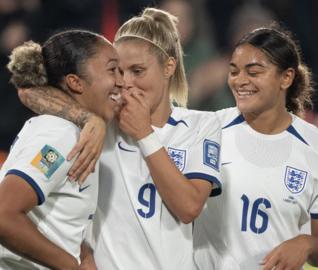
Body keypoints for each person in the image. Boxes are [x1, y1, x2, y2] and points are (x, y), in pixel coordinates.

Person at [16, 8, 222, 270]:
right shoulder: (102, 120)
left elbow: (189, 207)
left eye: (137, 70)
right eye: (118, 71)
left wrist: (144, 134)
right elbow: (29, 91)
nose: (125, 82)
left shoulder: (200, 125)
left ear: (169, 66)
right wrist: (87, 118)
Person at [193, 27, 318, 270]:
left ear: (286, 78)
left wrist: (306, 243)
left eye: (253, 72)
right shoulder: (208, 131)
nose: (240, 80)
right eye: (234, 71)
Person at [0, 30, 123, 269]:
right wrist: (69, 265)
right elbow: (4, 215)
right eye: (112, 70)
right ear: (75, 82)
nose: (121, 81)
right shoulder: (61, 134)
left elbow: (53, 220)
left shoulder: (76, 132)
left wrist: (82, 254)